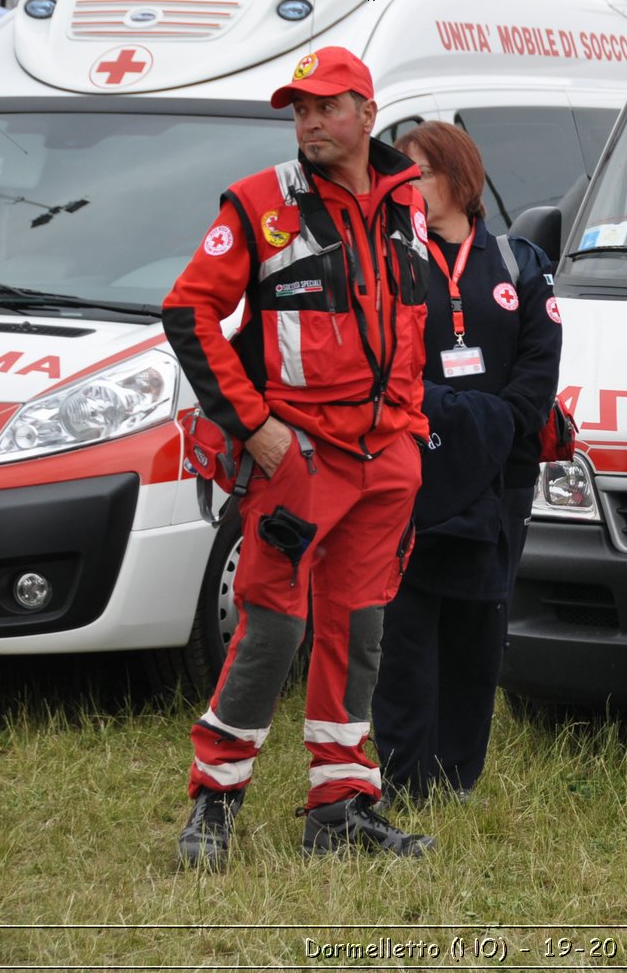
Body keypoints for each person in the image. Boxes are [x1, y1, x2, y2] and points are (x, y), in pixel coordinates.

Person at [163, 46, 433, 868]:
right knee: (271, 631)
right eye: (299, 110)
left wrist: (413, 430)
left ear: (366, 112)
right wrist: (255, 428)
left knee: (359, 630)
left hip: (388, 455)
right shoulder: (259, 203)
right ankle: (213, 800)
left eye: (324, 107)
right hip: (300, 456)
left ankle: (341, 806)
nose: (309, 122)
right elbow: (188, 312)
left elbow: (416, 323)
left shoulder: (406, 200)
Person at [370, 121, 562, 802]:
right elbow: (383, 370)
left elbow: (539, 367)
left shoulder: (515, 263)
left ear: (458, 177)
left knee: (480, 632)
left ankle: (458, 776)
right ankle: (402, 775)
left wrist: (496, 427)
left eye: (417, 172)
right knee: (408, 635)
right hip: (413, 473)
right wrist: (451, 418)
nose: (407, 186)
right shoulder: (388, 258)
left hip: (501, 480)